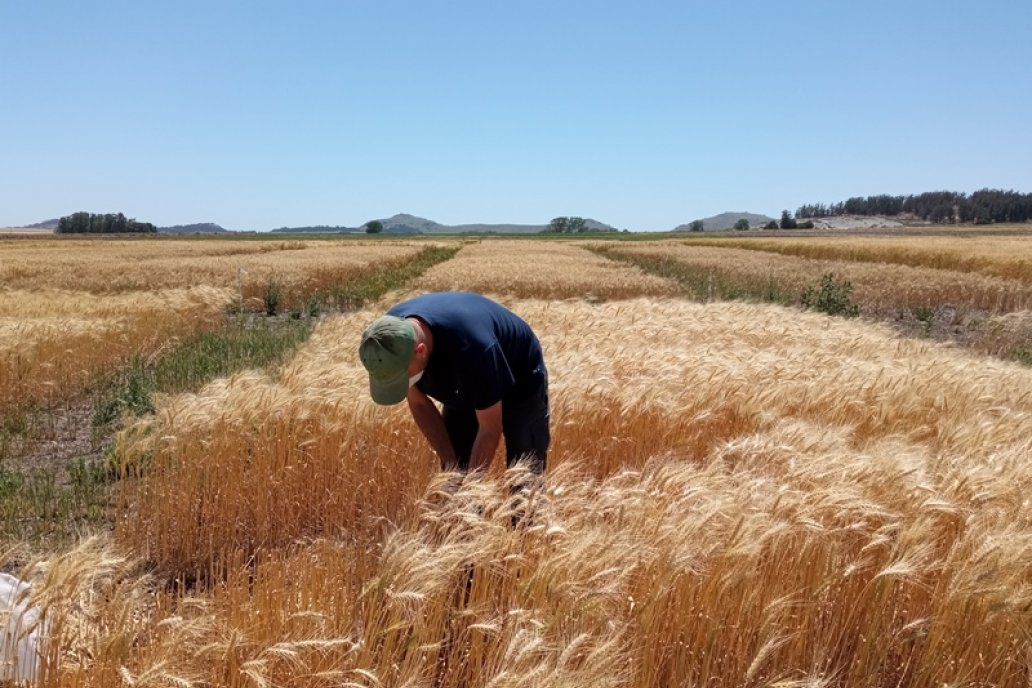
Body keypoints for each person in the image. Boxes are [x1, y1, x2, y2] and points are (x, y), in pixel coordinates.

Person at [359, 292, 549, 475]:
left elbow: (490, 428)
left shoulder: (474, 349)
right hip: (464, 370)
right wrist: (451, 466)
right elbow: (419, 404)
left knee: (525, 472)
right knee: (457, 466)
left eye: (403, 376)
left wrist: (470, 490)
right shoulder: (388, 341)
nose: (403, 383)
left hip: (521, 378)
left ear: (421, 351)